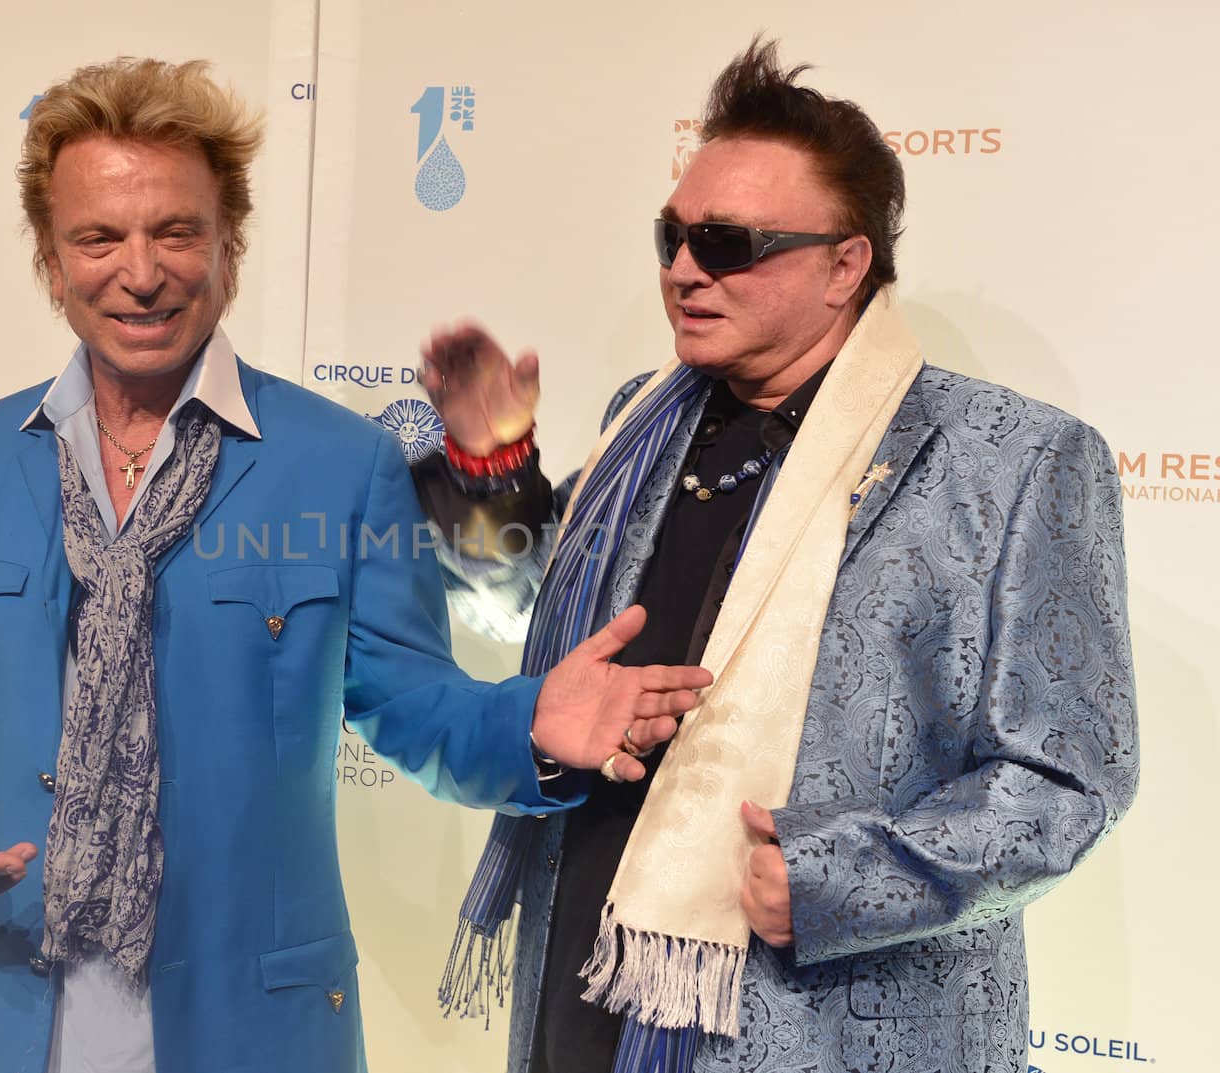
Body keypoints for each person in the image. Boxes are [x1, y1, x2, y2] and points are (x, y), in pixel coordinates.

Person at [0, 57, 709, 1073]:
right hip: (16, 1022)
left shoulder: (336, 465)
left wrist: (533, 727)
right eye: (98, 237)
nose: (140, 270)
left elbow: (418, 708)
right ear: (50, 259)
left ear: (228, 248)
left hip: (257, 1032)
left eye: (175, 231)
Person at [418, 38, 1138, 1073]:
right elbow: (523, 617)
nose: (681, 270)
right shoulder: (642, 421)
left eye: (727, 242)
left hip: (826, 1018)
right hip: (589, 967)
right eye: (671, 235)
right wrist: (488, 474)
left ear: (846, 262)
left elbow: (1068, 780)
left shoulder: (1011, 459)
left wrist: (839, 877)